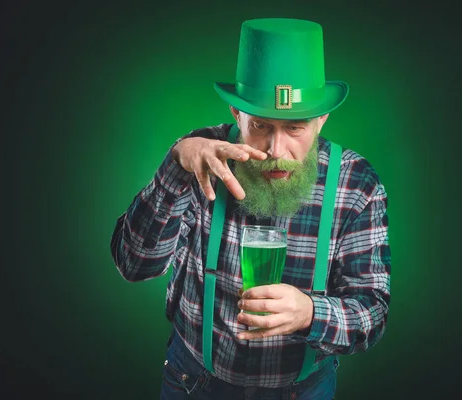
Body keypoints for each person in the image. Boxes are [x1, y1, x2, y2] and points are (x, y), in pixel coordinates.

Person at [110, 18, 391, 400]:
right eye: (260, 125)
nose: (276, 150)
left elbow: (372, 315)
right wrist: (176, 164)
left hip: (302, 390)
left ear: (322, 118)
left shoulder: (355, 183)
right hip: (193, 382)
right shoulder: (201, 159)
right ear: (236, 112)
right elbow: (134, 263)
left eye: (296, 128)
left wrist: (310, 313)